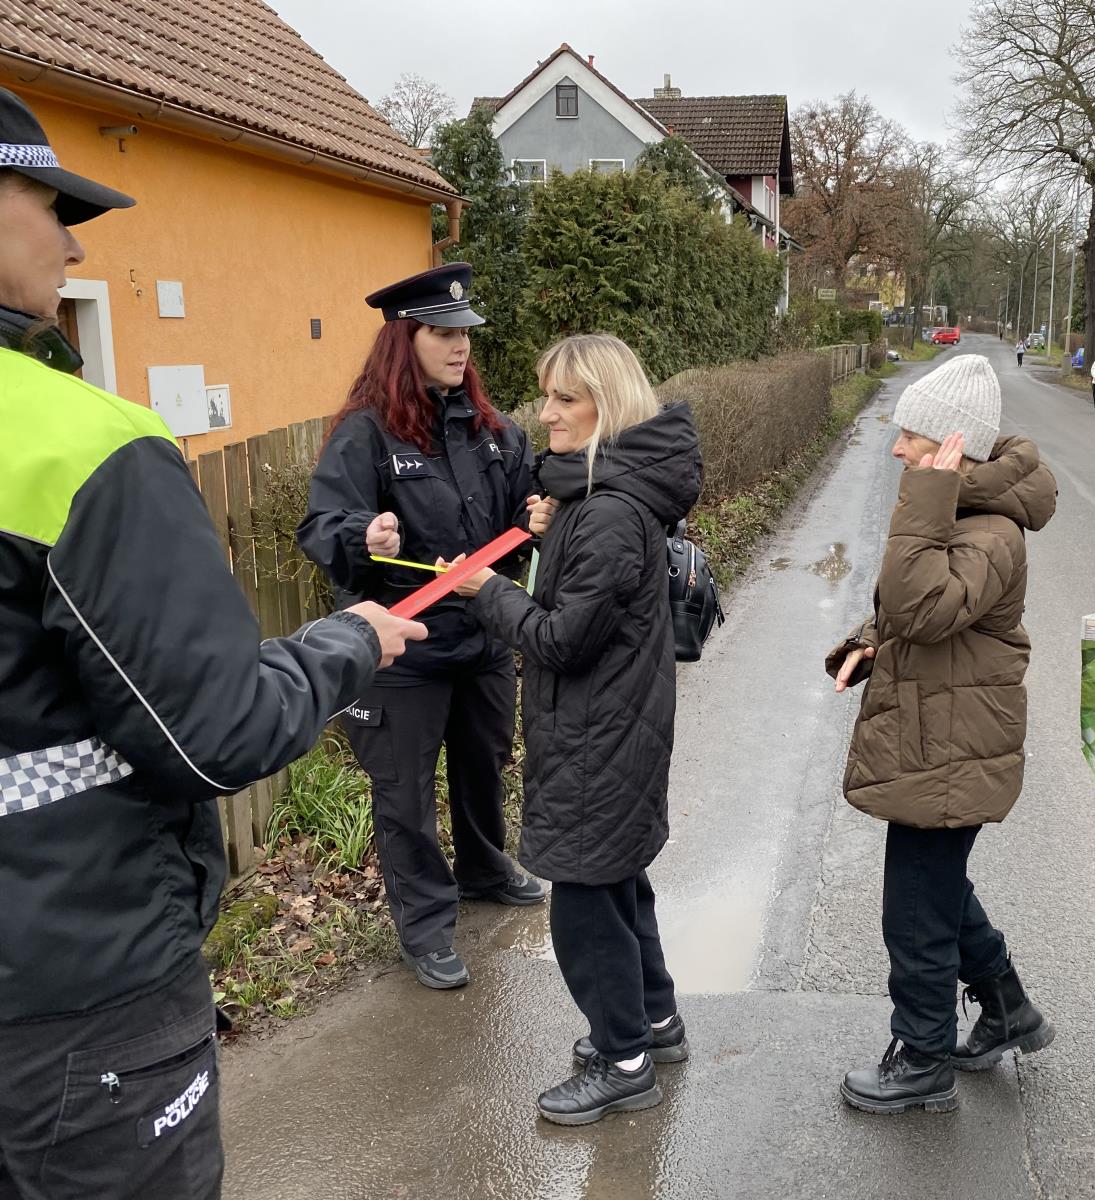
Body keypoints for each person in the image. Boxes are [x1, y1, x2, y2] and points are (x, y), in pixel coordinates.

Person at [0, 86, 425, 1200]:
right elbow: (214, 729)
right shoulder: (74, 446)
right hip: (71, 993)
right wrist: (346, 641)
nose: (72, 239)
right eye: (51, 203)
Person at [449, 333, 703, 1126]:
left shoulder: (608, 516)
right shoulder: (599, 500)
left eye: (566, 399)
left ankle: (623, 1059)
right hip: (614, 728)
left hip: (598, 736)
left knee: (583, 907)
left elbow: (560, 638)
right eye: (546, 395)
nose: (545, 412)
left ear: (608, 406)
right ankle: (653, 1024)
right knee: (620, 881)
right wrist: (547, 529)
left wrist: (485, 590)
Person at [297, 264, 546, 992]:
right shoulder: (364, 434)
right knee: (402, 792)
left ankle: (483, 868)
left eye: (464, 333)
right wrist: (361, 533)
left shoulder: (495, 432)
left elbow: (519, 518)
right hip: (399, 647)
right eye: (442, 333)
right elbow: (320, 526)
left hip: (482, 639)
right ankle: (425, 923)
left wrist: (536, 516)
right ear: (404, 340)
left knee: (483, 762)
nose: (460, 346)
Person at [828, 353, 1058, 1115]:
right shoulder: (956, 511)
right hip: (938, 735)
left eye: (913, 438)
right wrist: (870, 638)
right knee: (938, 894)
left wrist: (928, 496)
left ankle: (923, 1056)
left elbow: (926, 608)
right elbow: (912, 609)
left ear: (954, 446)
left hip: (954, 747)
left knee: (914, 912)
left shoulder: (990, 529)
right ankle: (1006, 1008)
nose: (898, 449)